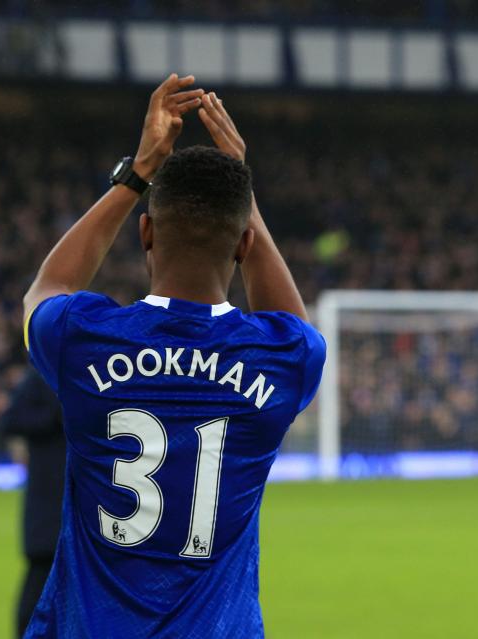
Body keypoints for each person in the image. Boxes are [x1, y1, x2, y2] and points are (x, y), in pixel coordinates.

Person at [21, 74, 326, 638]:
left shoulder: (83, 338)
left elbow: (46, 288)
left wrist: (135, 174)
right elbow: (294, 325)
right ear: (244, 245)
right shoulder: (281, 358)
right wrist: (244, 195)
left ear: (145, 234)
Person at [0, 368, 66, 638]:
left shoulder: (54, 372)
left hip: (67, 495)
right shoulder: (45, 376)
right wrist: (52, 417)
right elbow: (9, 420)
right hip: (48, 499)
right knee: (40, 574)